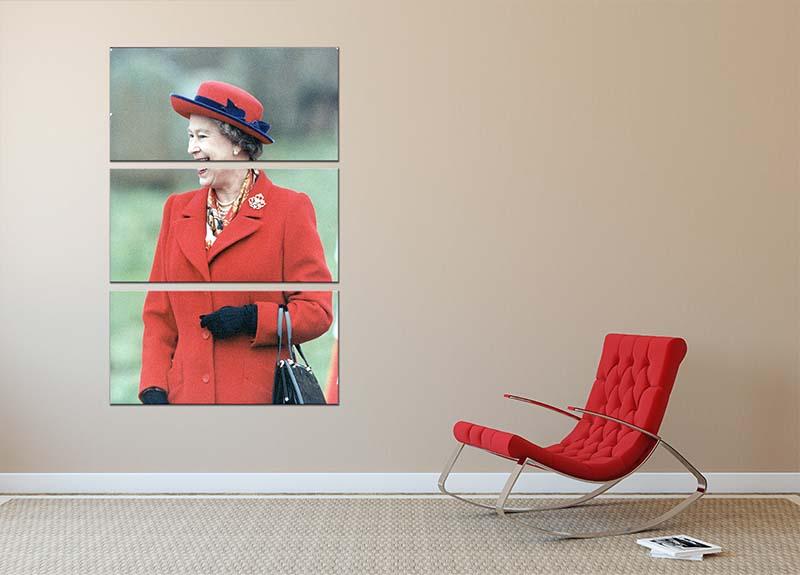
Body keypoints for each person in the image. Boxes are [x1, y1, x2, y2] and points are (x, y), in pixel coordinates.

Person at [138, 81, 333, 404]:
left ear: (236, 143)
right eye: (190, 136)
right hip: (185, 405)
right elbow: (159, 316)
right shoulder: (176, 210)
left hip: (258, 406)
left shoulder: (289, 210)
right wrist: (154, 389)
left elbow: (317, 311)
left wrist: (253, 318)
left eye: (202, 137)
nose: (192, 148)